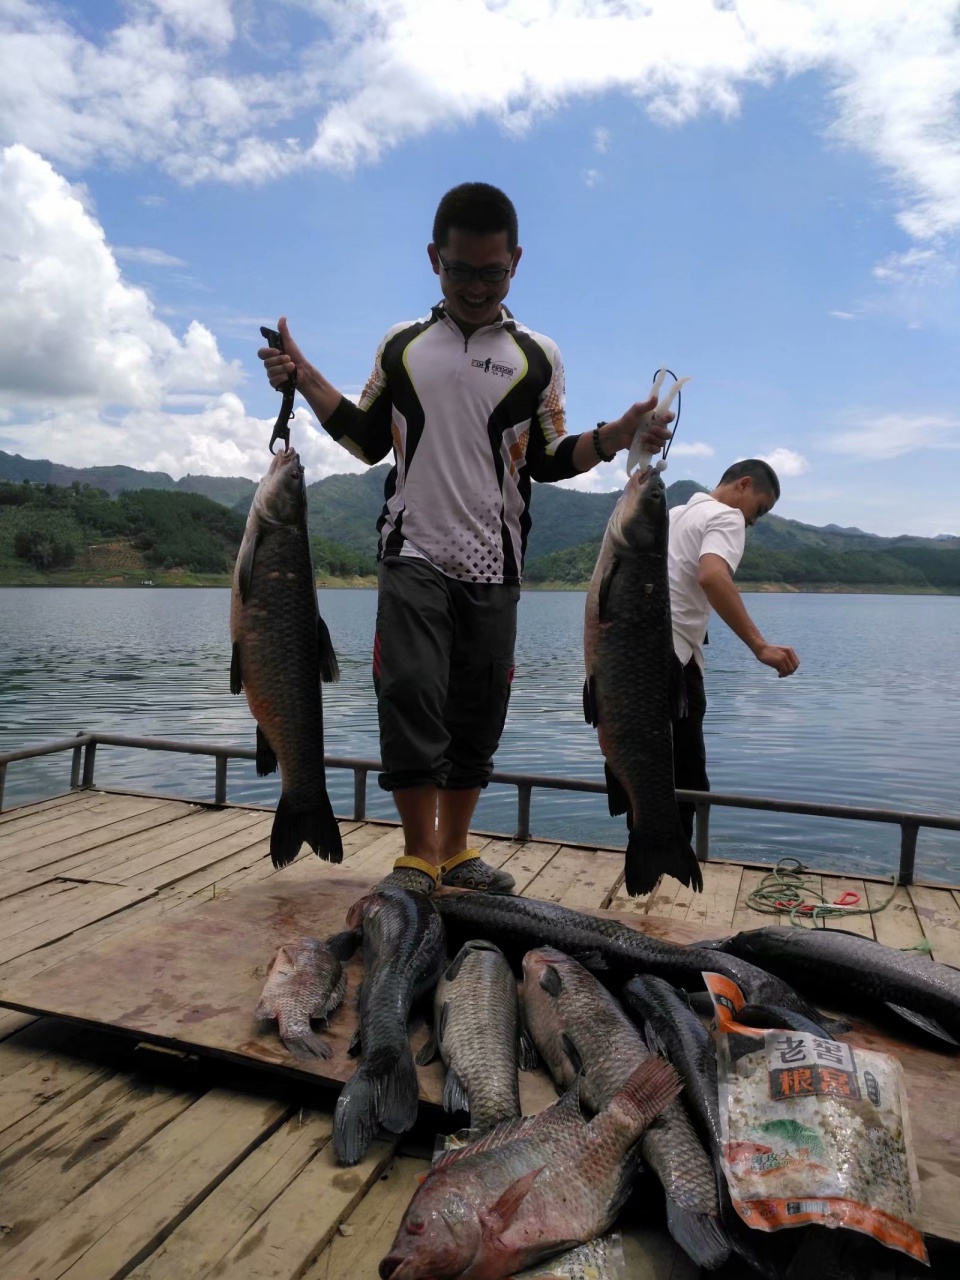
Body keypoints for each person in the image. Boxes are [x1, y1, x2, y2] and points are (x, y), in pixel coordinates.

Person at [259, 182, 671, 895]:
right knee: (412, 690)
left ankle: (456, 849)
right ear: (433, 261)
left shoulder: (537, 356)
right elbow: (363, 439)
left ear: (516, 262)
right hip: (412, 548)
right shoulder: (404, 346)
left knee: (480, 708)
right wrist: (304, 377)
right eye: (460, 270)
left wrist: (613, 437)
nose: (476, 286)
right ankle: (417, 852)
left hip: (498, 559)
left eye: (492, 271)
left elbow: (545, 455)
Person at [668, 459, 800, 842]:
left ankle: (642, 864)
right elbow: (711, 575)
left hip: (638, 657)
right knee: (687, 780)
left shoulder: (675, 514)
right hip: (675, 663)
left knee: (649, 772)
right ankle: (670, 873)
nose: (754, 521)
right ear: (744, 484)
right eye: (760, 509)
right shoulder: (726, 518)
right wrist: (759, 646)